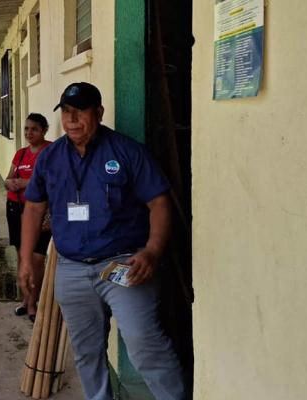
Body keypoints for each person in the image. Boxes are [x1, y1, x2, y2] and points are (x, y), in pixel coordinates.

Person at [20, 82, 185, 400]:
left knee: (144, 344)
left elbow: (159, 203)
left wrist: (152, 251)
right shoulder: (50, 157)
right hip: (70, 268)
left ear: (98, 113)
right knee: (87, 353)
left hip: (123, 265)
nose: (72, 120)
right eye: (66, 112)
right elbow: (34, 206)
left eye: (80, 112)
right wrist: (27, 259)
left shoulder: (126, 151)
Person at [4, 113, 52, 322]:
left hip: (41, 210)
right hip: (15, 208)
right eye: (26, 129)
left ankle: (34, 302)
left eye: (34, 129)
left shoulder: (50, 151)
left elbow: (51, 179)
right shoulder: (21, 154)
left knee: (37, 258)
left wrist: (23, 183)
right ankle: (26, 300)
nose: (29, 133)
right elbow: (8, 177)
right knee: (23, 256)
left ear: (44, 130)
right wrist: (11, 183)